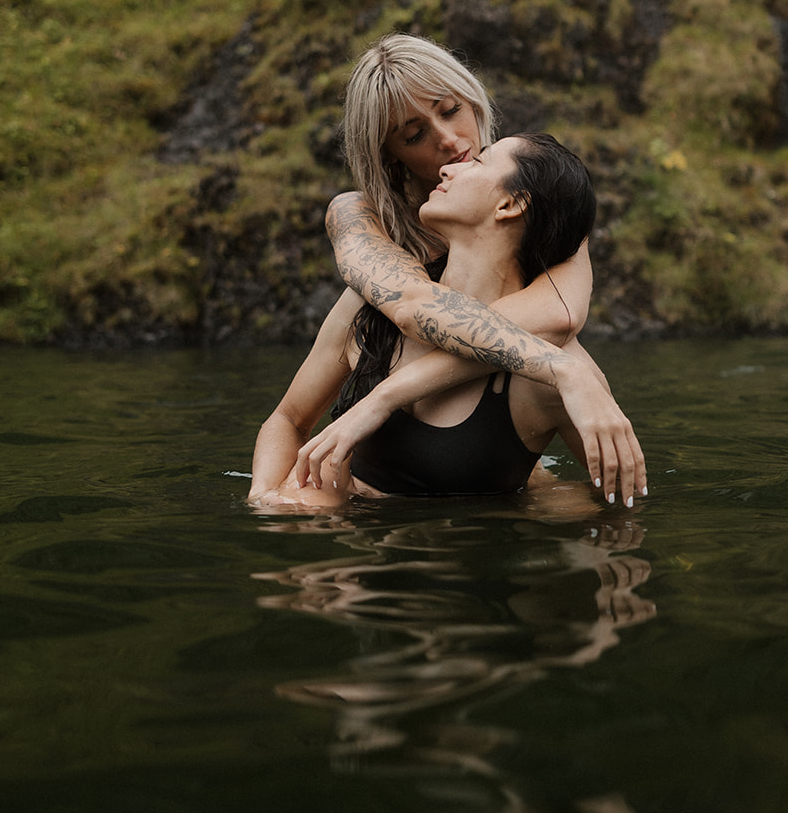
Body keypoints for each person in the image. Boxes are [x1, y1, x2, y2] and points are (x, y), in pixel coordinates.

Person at [248, 36, 646, 506]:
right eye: (414, 135)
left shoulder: (545, 198)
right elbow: (414, 308)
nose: (451, 141)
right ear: (390, 157)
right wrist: (266, 500)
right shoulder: (362, 223)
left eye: (452, 109)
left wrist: (541, 498)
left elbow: (559, 318)